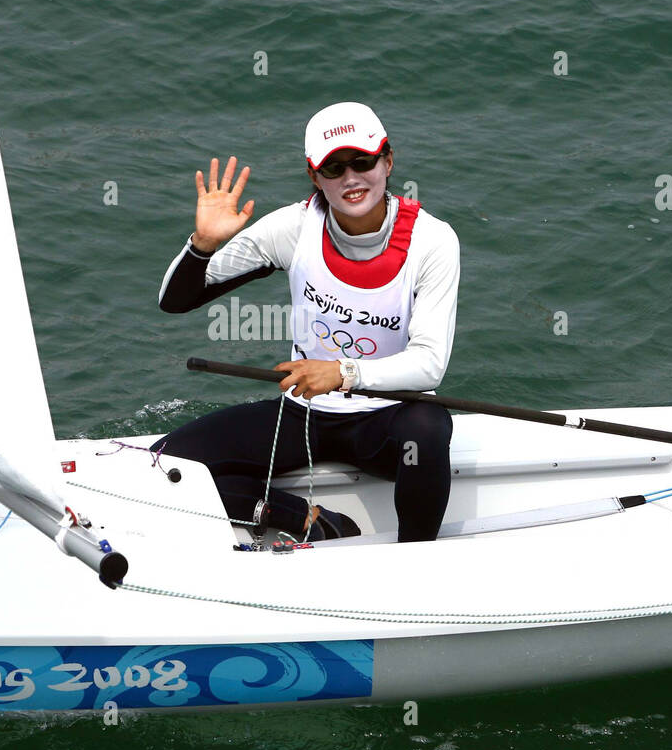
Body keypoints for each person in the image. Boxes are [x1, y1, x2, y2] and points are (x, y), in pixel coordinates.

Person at [154, 102, 460, 542]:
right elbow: (175, 301)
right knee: (169, 464)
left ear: (388, 161)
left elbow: (429, 365)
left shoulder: (433, 241)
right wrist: (201, 244)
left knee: (428, 430)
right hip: (306, 414)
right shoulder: (292, 228)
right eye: (333, 168)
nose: (351, 178)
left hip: (389, 421)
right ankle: (306, 520)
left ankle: (414, 554)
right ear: (314, 176)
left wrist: (342, 373)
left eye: (363, 162)